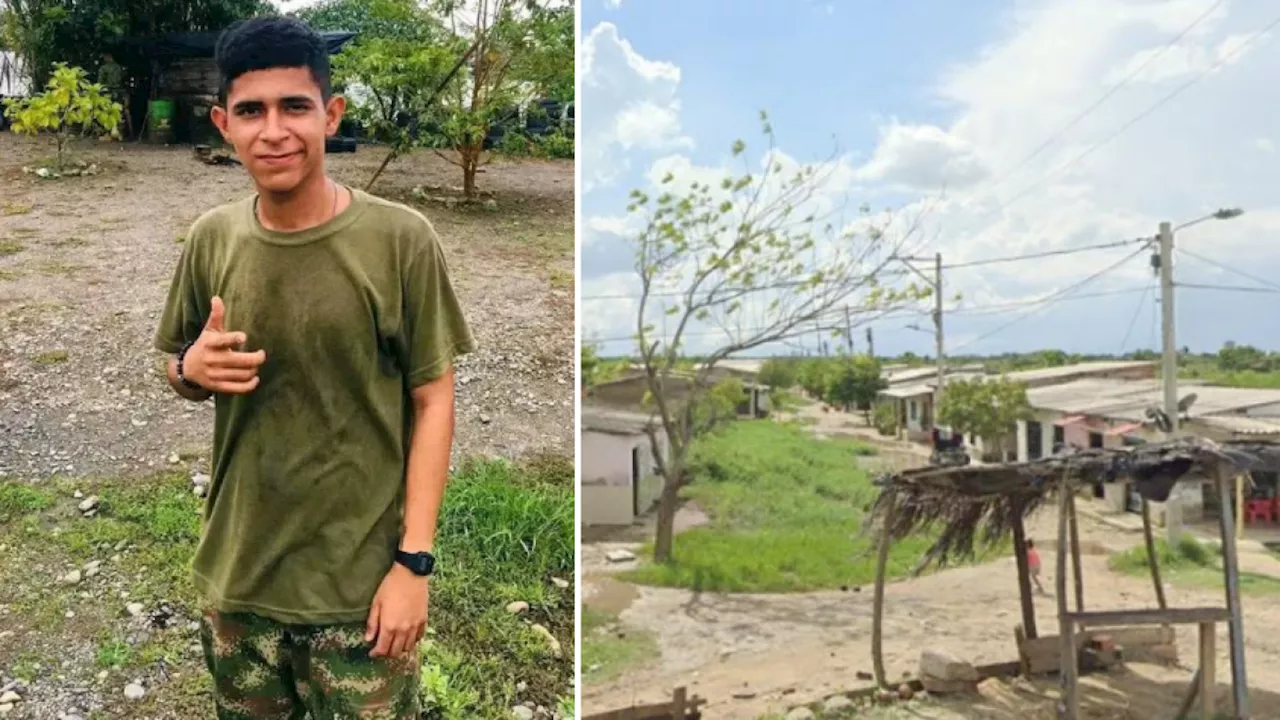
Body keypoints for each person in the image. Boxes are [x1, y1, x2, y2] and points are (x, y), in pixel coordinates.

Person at [153, 16, 474, 719]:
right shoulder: (212, 239)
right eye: (251, 111)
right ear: (222, 124)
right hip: (240, 582)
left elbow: (434, 398)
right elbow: (175, 365)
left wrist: (414, 564)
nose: (274, 131)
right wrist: (189, 369)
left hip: (358, 595)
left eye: (294, 106)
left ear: (330, 114)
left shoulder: (400, 241)